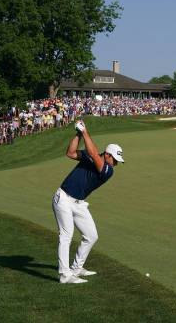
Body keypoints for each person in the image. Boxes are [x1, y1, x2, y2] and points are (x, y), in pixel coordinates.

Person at [52, 120, 124, 284]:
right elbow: (70, 153)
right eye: (115, 159)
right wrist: (78, 133)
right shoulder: (94, 157)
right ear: (107, 154)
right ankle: (65, 275)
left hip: (78, 203)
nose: (117, 163)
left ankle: (77, 268)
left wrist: (85, 132)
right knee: (66, 235)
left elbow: (93, 155)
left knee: (91, 236)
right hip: (63, 198)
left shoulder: (107, 171)